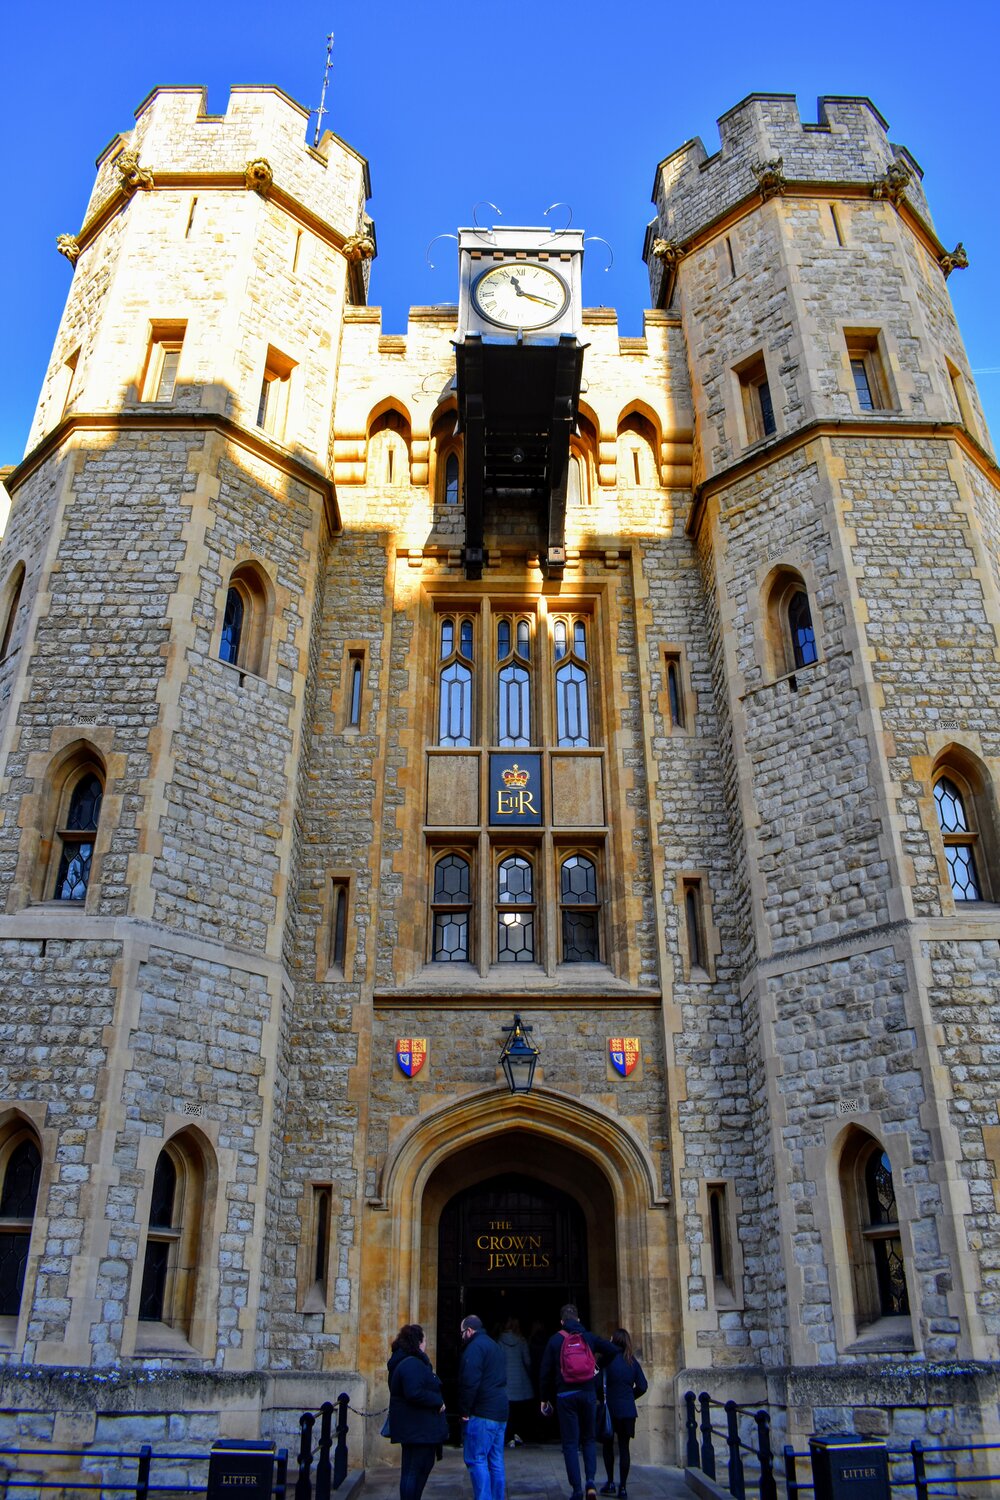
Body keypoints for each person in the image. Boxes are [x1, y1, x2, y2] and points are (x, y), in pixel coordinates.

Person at [539, 1304, 617, 1500]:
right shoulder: (589, 1338)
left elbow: (545, 1373)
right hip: (588, 1393)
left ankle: (576, 1489)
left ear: (562, 1322)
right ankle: (590, 1482)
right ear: (579, 1320)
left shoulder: (555, 1341)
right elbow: (613, 1350)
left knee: (570, 1444)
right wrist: (596, 1366)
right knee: (589, 1440)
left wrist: (544, 1398)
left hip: (565, 1396)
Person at [386, 1323, 448, 1500]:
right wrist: (437, 1401)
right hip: (416, 1428)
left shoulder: (407, 1361)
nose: (426, 1344)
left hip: (417, 1426)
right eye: (425, 1340)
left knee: (419, 1468)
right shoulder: (411, 1363)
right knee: (412, 1471)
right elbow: (414, 1392)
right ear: (417, 1341)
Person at [458, 1313, 508, 1500]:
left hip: (483, 1412)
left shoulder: (474, 1349)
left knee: (476, 1459)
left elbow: (469, 1383)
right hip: (500, 1410)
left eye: (462, 1332)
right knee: (495, 1461)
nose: (461, 1336)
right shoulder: (494, 1346)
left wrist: (464, 1411)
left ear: (469, 1331)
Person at [597, 1328, 648, 1499]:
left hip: (610, 1409)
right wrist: (629, 1397)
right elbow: (642, 1386)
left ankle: (610, 1482)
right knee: (624, 1448)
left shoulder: (606, 1360)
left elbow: (596, 1384)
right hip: (627, 1410)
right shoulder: (631, 1361)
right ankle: (623, 1488)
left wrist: (603, 1398)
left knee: (608, 1446)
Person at [498, 1316, 533, 1446]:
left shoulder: (499, 1342)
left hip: (507, 1381)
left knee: (508, 1411)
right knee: (520, 1411)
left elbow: (498, 1362)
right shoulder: (522, 1340)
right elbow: (528, 1361)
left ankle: (509, 1436)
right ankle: (519, 1435)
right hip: (521, 1381)